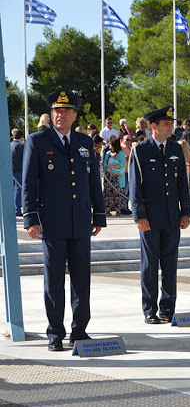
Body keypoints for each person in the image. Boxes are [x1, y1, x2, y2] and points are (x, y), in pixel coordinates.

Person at [22, 89, 106, 351]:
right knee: (54, 281)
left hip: (80, 221)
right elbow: (28, 183)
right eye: (57, 111)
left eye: (66, 111)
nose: (61, 115)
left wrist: (99, 215)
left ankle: (79, 330)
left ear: (74, 115)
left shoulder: (83, 142)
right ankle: (55, 333)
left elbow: (94, 181)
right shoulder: (37, 141)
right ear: (50, 114)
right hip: (53, 222)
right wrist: (30, 218)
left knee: (82, 279)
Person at [129, 106, 190, 325]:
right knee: (149, 265)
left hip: (172, 216)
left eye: (170, 123)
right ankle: (149, 309)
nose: (170, 127)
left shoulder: (175, 148)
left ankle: (167, 308)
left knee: (170, 263)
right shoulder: (141, 149)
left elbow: (182, 182)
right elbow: (135, 186)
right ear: (153, 126)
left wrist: (185, 212)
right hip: (150, 218)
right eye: (165, 124)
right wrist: (139, 215)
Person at [102, 137, 128, 216]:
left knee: (118, 193)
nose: (109, 145)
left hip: (118, 177)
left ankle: (118, 209)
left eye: (110, 143)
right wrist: (107, 166)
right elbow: (104, 163)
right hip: (109, 176)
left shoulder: (121, 153)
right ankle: (107, 209)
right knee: (108, 193)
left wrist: (114, 166)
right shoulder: (107, 153)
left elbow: (123, 164)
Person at [11, 130, 25, 216]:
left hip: (11, 170)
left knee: (13, 189)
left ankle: (14, 208)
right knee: (18, 190)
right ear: (21, 137)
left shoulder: (10, 144)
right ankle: (17, 210)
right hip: (19, 170)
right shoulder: (20, 146)